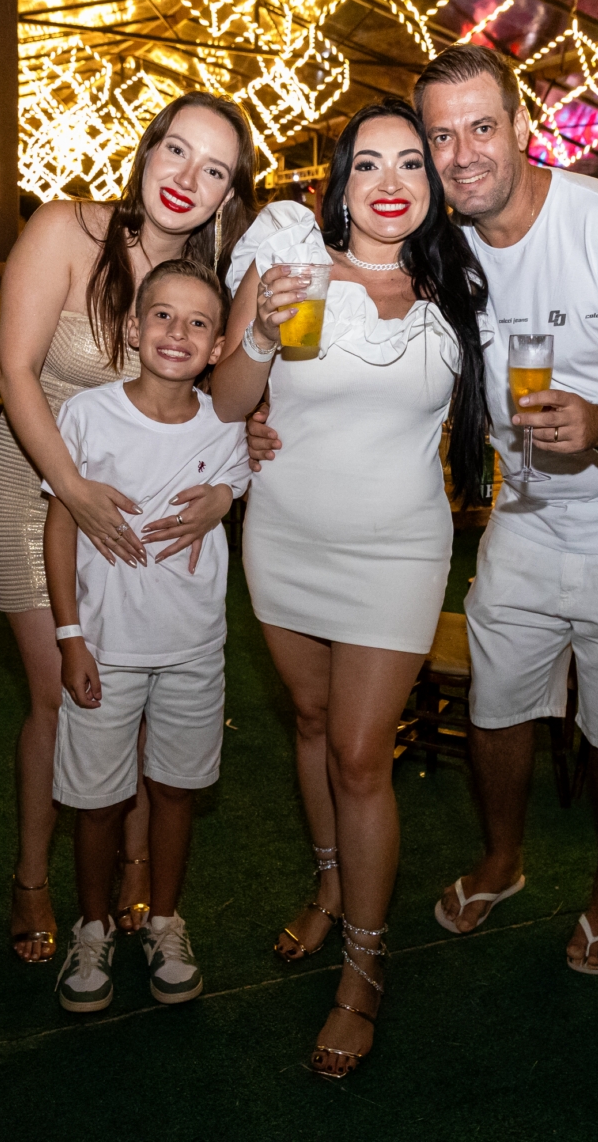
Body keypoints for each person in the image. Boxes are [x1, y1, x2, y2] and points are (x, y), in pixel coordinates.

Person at [249, 46, 598, 977]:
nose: (461, 154)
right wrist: (268, 415)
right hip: (530, 506)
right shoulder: (444, 246)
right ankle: (502, 859)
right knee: (499, 700)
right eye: (441, 135)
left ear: (521, 127)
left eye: (481, 127)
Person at [213, 97, 487, 1075]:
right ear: (341, 184)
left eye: (410, 162)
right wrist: (257, 340)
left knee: (363, 755)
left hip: (400, 549)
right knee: (312, 720)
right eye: (367, 164)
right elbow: (231, 402)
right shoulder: (290, 263)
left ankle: (365, 967)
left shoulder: (462, 287)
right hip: (287, 537)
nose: (388, 183)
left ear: (435, 184)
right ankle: (330, 885)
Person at [0, 91, 257, 962]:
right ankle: (33, 878)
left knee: (146, 692)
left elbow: (232, 406)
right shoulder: (67, 229)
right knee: (66, 693)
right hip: (37, 488)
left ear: (228, 194)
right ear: (147, 149)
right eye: (177, 150)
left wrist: (232, 482)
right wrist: (73, 489)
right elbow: (13, 369)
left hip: (141, 513)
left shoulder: (214, 280)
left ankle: (137, 870)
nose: (187, 178)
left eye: (214, 170)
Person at [45, 258, 248, 1012]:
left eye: (198, 323)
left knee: (175, 790)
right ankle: (92, 927)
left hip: (194, 648)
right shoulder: (87, 414)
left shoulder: (226, 423)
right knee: (97, 801)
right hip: (104, 646)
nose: (177, 333)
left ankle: (165, 921)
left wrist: (225, 494)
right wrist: (70, 635)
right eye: (162, 315)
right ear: (133, 328)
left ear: (218, 346)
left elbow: (244, 478)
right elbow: (59, 524)